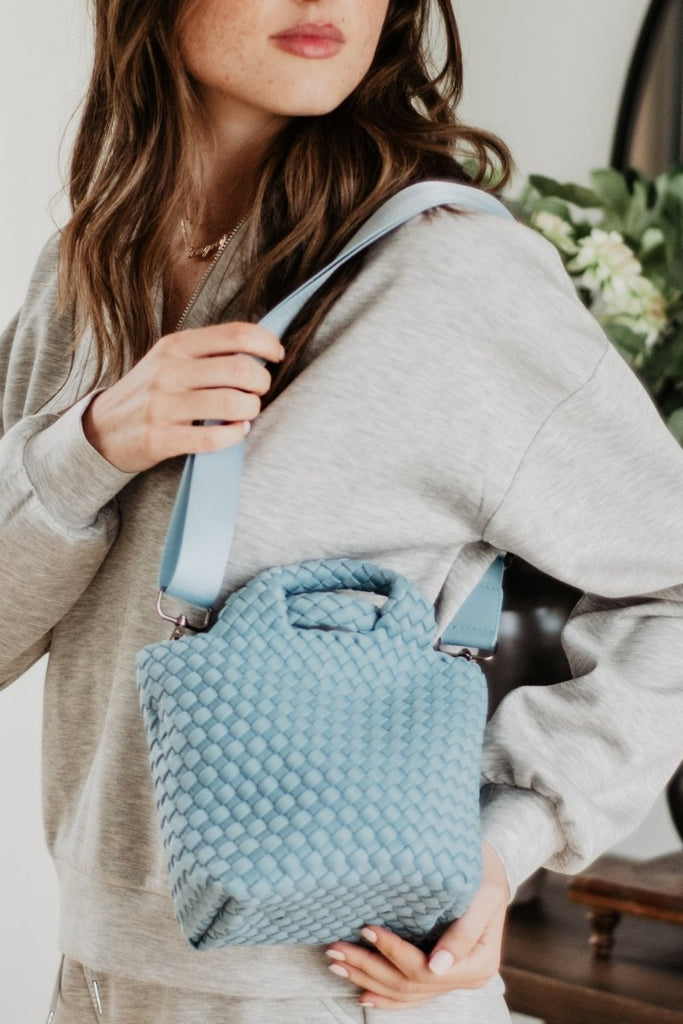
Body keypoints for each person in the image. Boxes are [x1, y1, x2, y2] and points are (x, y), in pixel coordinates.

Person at [2, 1, 682, 1022]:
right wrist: (92, 441)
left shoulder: (445, 272)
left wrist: (508, 836)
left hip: (337, 990)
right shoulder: (81, 277)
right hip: (99, 976)